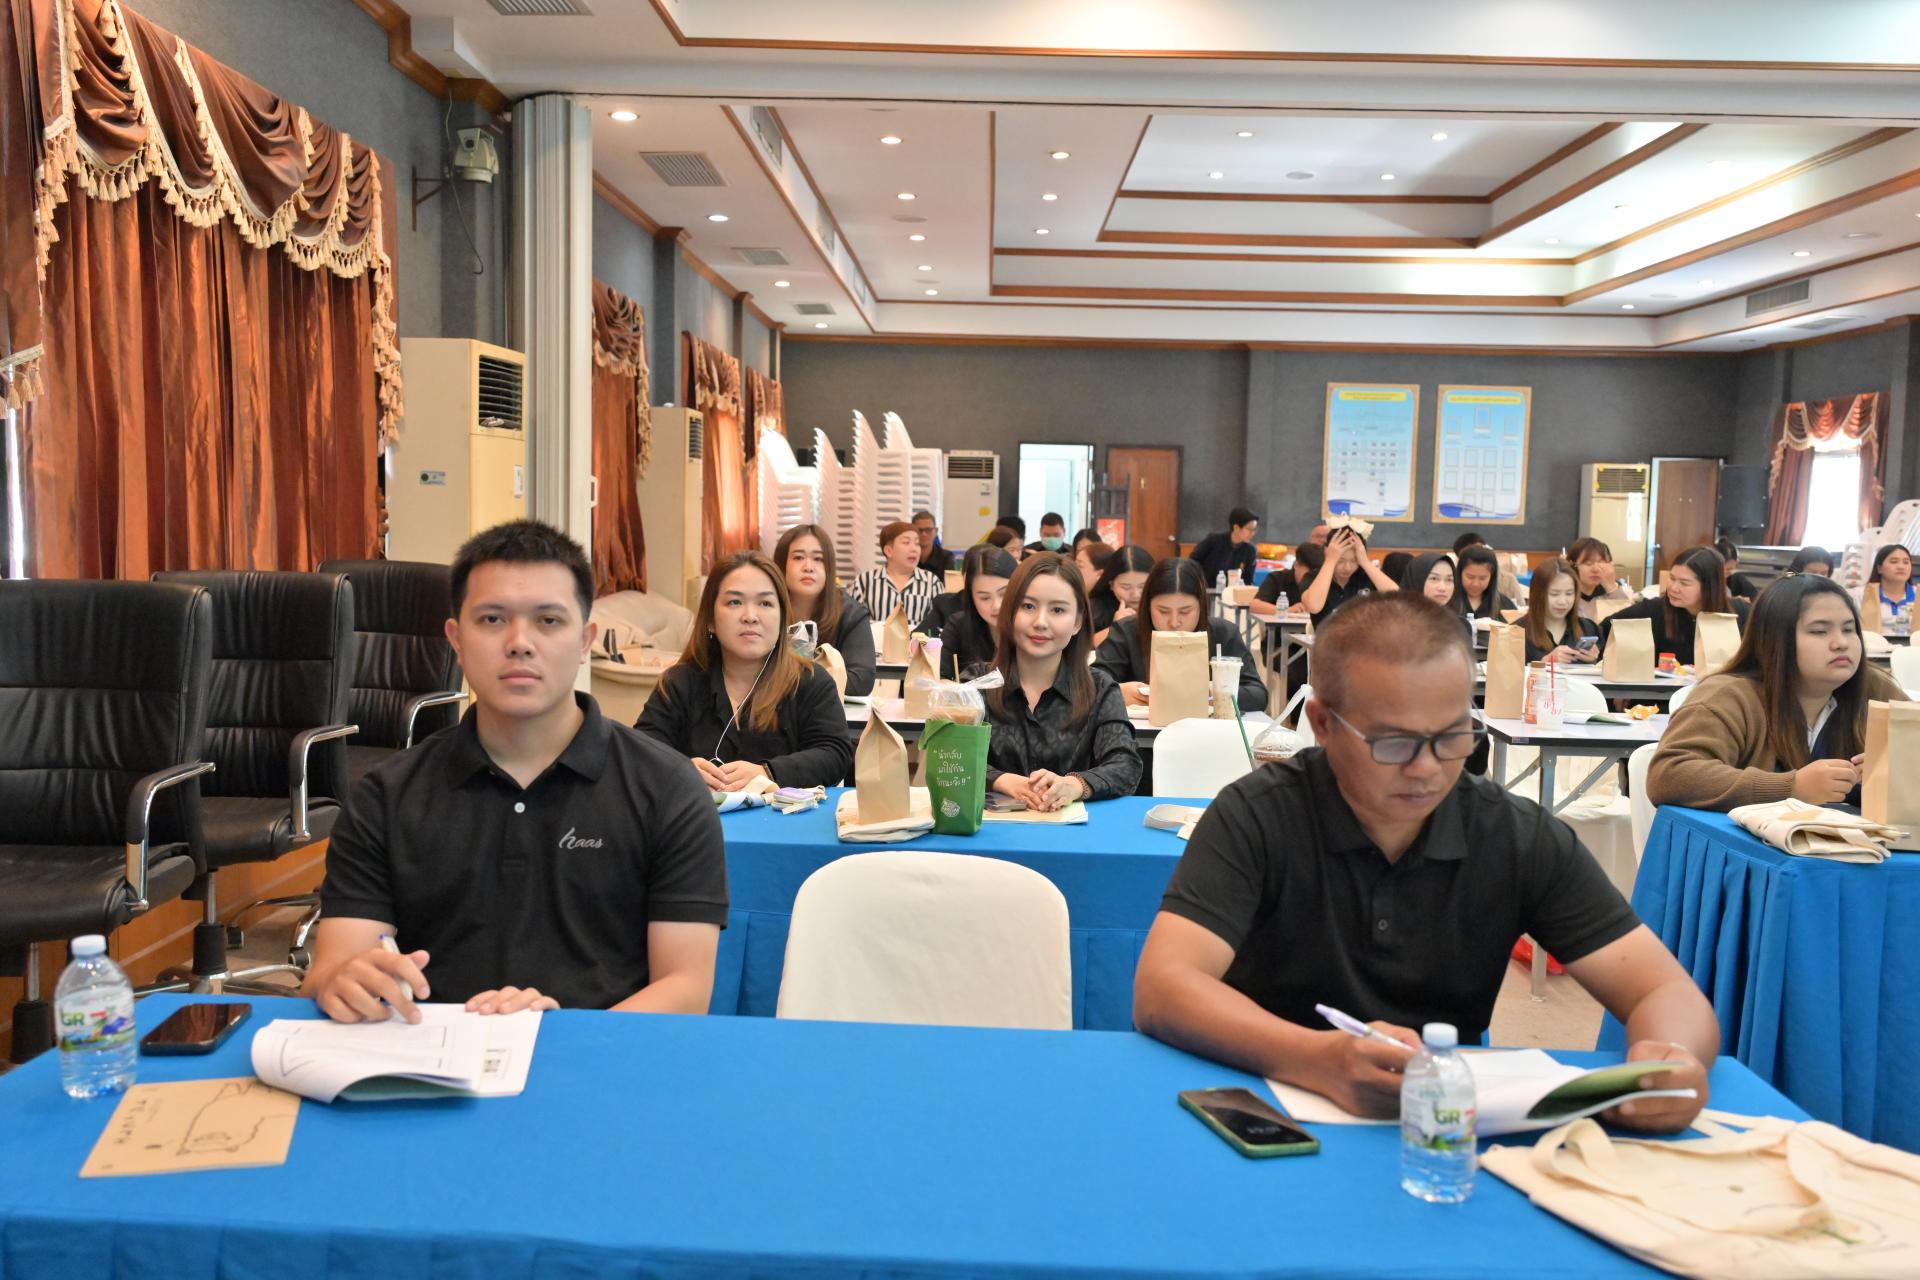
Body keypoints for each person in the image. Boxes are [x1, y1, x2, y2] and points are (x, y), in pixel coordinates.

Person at [1131, 592, 1718, 1130]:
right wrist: (1316, 1059)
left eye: (1452, 737)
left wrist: (1672, 1061)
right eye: (1394, 743)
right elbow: (1163, 987)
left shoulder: (1512, 835)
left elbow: (1664, 991)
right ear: (1323, 724)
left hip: (1438, 1128)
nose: (1427, 769)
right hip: (1266, 1107)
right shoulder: (1257, 816)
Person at [305, 520, 728, 1022]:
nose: (519, 642)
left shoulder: (668, 790)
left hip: (602, 1055)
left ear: (585, 640)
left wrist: (553, 1037)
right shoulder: (386, 795)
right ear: (456, 639)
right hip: (432, 1053)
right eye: (492, 619)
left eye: (548, 620)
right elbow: (334, 966)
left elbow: (685, 989)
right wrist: (342, 981)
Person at [1648, 574, 1907, 810]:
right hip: (1749, 846)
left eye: (1849, 629)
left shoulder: (1874, 688)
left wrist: (1899, 769)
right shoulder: (1729, 696)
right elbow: (1669, 775)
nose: (1841, 643)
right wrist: (1791, 787)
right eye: (1819, 631)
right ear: (1775, 639)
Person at [637, 550, 854, 789]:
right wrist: (680, 770)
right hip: (700, 812)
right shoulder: (679, 683)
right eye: (735, 602)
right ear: (710, 619)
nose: (750, 616)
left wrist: (768, 773)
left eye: (765, 603)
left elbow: (835, 754)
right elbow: (638, 752)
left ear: (782, 618)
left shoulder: (810, 681)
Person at [985, 555, 1142, 808]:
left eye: (1057, 610)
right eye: (1028, 606)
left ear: (1078, 621)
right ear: (1010, 612)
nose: (1040, 622)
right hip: (992, 828)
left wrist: (1075, 785)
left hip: (1074, 827)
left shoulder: (1100, 688)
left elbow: (1126, 764)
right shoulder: (977, 686)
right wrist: (1003, 780)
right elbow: (951, 760)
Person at [1094, 556, 1267, 713]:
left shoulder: (1224, 634)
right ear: (1148, 606)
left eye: (1185, 611)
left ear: (1201, 606)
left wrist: (1216, 693)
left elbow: (1258, 694)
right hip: (1140, 735)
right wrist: (1118, 691)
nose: (1174, 622)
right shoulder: (1127, 631)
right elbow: (1092, 684)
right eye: (1163, 611)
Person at [1599, 545, 1749, 666]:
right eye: (1672, 578)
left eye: (1684, 583)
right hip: (1662, 693)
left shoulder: (1738, 613)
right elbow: (1606, 627)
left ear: (1709, 587)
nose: (1673, 588)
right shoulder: (1654, 609)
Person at [775, 523, 874, 697]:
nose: (808, 567)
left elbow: (861, 681)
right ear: (781, 565)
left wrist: (795, 679)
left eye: (818, 559)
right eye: (798, 557)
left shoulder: (850, 613)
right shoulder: (766, 610)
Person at [939, 544, 1016, 679]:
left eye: (1004, 594)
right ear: (972, 598)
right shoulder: (958, 626)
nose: (996, 606)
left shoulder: (1031, 628)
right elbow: (940, 678)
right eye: (985, 598)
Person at [850, 520, 942, 630]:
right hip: (875, 641)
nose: (914, 549)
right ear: (889, 551)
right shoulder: (864, 581)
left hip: (917, 641)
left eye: (917, 543)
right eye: (906, 542)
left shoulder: (932, 582)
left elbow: (939, 625)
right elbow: (853, 623)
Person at [1300, 525, 1398, 627]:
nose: (1347, 567)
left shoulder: (1368, 577)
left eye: (1354, 560)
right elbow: (1313, 607)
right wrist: (1330, 561)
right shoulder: (1314, 577)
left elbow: (1396, 598)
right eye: (1340, 561)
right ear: (1327, 553)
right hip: (1327, 636)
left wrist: (1365, 562)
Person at [1523, 558, 1601, 663]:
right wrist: (1545, 662)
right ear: (1537, 594)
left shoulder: (1588, 628)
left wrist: (1594, 662)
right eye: (1554, 594)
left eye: (1569, 593)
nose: (1562, 601)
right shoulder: (1518, 632)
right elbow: (1510, 671)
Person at [1088, 543, 1154, 643]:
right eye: (1126, 587)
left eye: (1142, 586)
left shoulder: (1160, 604)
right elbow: (1082, 647)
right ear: (1111, 585)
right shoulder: (1094, 610)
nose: (1136, 595)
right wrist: (1116, 628)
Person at [1568, 535, 1634, 621]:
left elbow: (1626, 621)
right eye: (1588, 563)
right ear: (1573, 566)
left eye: (1601, 562)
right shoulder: (1567, 595)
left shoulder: (1608, 591)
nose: (1596, 569)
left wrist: (1611, 587)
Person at [1190, 506, 1260, 585]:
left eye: (1254, 529)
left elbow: (1248, 580)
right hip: (1206, 587)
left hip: (1233, 590)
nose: (1253, 533)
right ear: (1236, 528)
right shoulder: (1213, 541)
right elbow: (1192, 562)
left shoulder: (1250, 550)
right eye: (1250, 529)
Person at [1252, 541, 1323, 618]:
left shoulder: (1323, 583)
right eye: (1308, 574)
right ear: (1296, 564)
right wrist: (1288, 610)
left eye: (1316, 574)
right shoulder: (1277, 578)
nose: (1312, 578)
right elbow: (1255, 605)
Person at [1455, 544, 1517, 620]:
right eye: (1470, 577)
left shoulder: (1504, 605)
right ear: (1460, 573)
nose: (1475, 584)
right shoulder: (1448, 602)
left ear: (1492, 576)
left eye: (1482, 578)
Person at [1868, 543, 1915, 636]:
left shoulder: (1918, 594)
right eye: (1894, 562)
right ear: (1879, 568)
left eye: (1906, 562)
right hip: (1873, 645)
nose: (1901, 567)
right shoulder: (1861, 596)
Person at [1717, 537, 1760, 602]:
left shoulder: (1735, 578)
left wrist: (1745, 601)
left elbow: (1756, 598)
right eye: (1728, 569)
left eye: (1732, 569)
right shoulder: (1707, 580)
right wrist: (1732, 601)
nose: (1730, 572)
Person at [912, 509, 953, 577]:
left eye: (928, 530)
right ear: (912, 531)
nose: (924, 534)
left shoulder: (946, 557)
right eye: (919, 530)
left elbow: (949, 582)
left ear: (936, 531)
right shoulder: (906, 556)